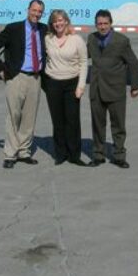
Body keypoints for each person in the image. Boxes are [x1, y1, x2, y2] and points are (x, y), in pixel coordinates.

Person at [0, 0, 47, 169]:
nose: (36, 14)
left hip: (35, 78)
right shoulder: (14, 29)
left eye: (40, 11)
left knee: (29, 117)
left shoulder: (43, 29)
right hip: (16, 77)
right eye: (34, 10)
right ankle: (10, 154)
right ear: (28, 10)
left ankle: (24, 152)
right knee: (14, 116)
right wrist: (0, 69)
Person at [86, 9, 138, 168]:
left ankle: (119, 156)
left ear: (111, 24)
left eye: (105, 23)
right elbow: (83, 55)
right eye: (99, 24)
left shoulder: (121, 41)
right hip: (96, 89)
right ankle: (98, 155)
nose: (102, 27)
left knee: (118, 125)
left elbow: (134, 64)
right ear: (95, 25)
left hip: (115, 90)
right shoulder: (92, 38)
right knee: (97, 125)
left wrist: (135, 86)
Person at [43, 10, 89, 166]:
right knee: (57, 121)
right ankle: (60, 154)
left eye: (61, 20)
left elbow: (83, 63)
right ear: (52, 24)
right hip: (53, 83)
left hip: (72, 84)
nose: (58, 23)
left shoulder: (76, 40)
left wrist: (81, 86)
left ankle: (74, 155)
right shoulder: (48, 39)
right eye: (55, 21)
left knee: (72, 121)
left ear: (66, 22)